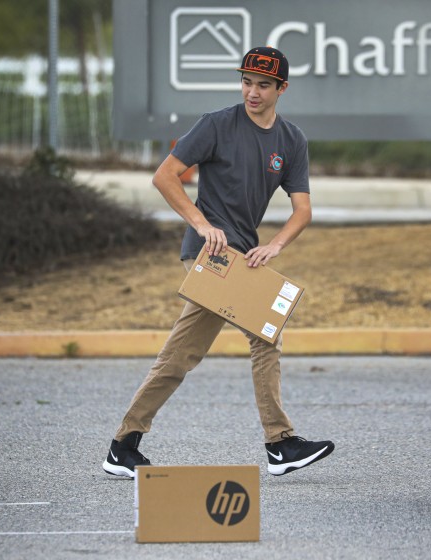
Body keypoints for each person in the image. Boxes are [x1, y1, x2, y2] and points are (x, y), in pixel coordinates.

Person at [102, 47, 334, 479]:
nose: (252, 92)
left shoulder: (291, 140)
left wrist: (276, 246)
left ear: (281, 88)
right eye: (246, 82)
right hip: (207, 254)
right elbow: (164, 176)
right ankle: (279, 443)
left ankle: (124, 443)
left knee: (193, 352)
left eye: (263, 85)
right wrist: (202, 223)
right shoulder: (216, 125)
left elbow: (302, 209)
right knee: (257, 337)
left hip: (244, 257)